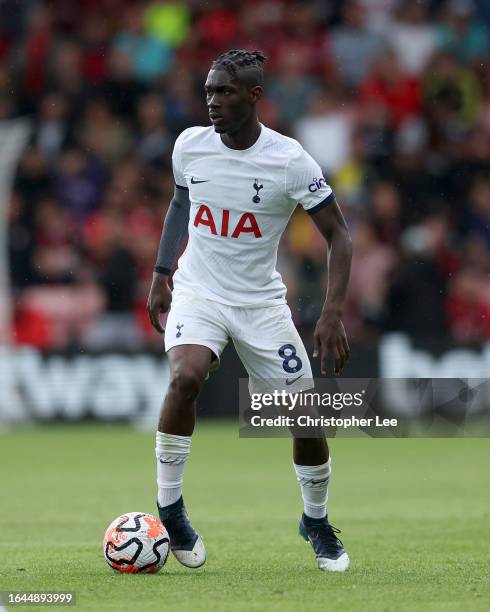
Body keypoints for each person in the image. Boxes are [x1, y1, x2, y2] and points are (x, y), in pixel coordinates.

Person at [147, 50, 352, 572]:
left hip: (261, 305)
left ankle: (317, 520)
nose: (212, 102)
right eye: (209, 91)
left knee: (305, 419)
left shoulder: (289, 161)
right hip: (200, 293)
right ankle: (170, 509)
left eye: (225, 92)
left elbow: (339, 236)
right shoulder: (190, 145)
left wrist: (330, 312)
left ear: (254, 96)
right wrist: (161, 273)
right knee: (186, 375)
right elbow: (179, 204)